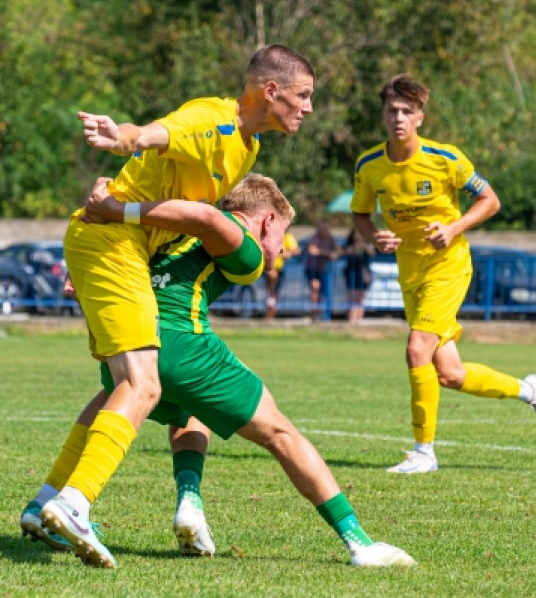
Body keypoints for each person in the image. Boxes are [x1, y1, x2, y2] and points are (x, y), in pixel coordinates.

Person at [23, 45, 314, 566]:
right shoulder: (213, 119)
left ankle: (47, 501)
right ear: (271, 91)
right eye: (304, 95)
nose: (309, 107)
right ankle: (74, 503)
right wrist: (124, 138)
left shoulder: (247, 152)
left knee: (118, 388)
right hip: (111, 241)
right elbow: (156, 133)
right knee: (143, 384)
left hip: (121, 248)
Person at [35, 174, 415, 568]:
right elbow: (213, 221)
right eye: (283, 234)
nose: (282, 249)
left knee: (172, 405)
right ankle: (360, 543)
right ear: (267, 220)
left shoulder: (170, 231)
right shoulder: (237, 235)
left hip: (131, 340)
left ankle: (171, 503)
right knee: (281, 433)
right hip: (182, 343)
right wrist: (119, 208)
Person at [351, 73, 536, 475]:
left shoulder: (445, 158)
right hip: (410, 272)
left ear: (420, 118)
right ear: (383, 115)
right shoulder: (369, 165)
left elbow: (490, 200)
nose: (398, 118)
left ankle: (424, 452)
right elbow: (360, 214)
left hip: (448, 267)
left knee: (417, 350)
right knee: (449, 374)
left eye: (407, 111)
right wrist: (374, 237)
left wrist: (451, 229)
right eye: (392, 110)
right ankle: (529, 390)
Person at [304, 221, 342, 321]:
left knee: (325, 292)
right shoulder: (314, 238)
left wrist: (331, 253)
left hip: (324, 269)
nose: (326, 231)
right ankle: (314, 315)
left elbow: (339, 251)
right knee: (315, 288)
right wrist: (327, 254)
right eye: (324, 229)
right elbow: (312, 250)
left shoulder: (331, 238)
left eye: (327, 229)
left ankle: (324, 315)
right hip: (312, 268)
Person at [264, 229, 300, 318]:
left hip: (279, 269)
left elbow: (297, 250)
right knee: (272, 277)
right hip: (267, 268)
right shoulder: (270, 235)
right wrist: (282, 253)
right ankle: (270, 302)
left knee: (275, 293)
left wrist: (288, 252)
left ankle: (271, 315)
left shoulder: (287, 237)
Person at [343, 227, 374, 324]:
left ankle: (358, 320)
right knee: (352, 298)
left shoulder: (367, 245)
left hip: (363, 274)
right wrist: (355, 248)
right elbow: (343, 251)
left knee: (360, 298)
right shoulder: (349, 245)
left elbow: (372, 252)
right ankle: (352, 320)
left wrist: (363, 246)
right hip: (351, 273)